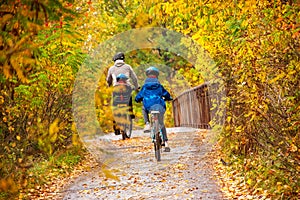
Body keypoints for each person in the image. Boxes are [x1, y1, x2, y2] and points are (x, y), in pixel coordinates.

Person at [135, 66, 173, 152]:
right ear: (157, 76)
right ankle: (166, 142)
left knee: (143, 108)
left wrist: (138, 99)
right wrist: (169, 98)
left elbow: (138, 97)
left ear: (147, 76)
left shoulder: (145, 87)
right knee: (161, 123)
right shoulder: (159, 86)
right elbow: (167, 95)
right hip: (159, 106)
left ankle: (147, 123)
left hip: (148, 106)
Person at [106, 52, 139, 135]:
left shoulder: (111, 68)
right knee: (129, 100)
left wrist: (109, 85)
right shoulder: (128, 67)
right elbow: (134, 78)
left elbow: (108, 80)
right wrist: (136, 86)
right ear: (123, 59)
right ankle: (130, 113)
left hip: (116, 89)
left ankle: (115, 126)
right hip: (126, 87)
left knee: (115, 106)